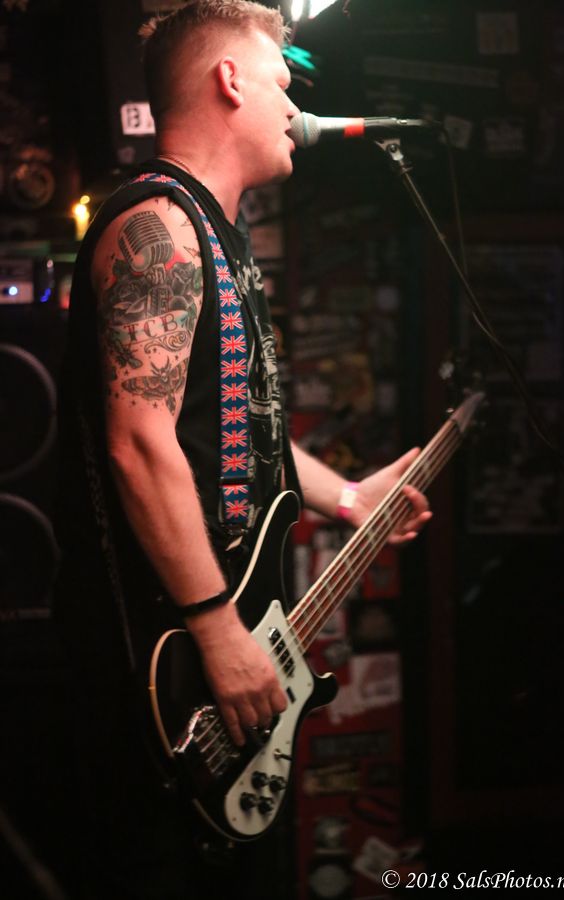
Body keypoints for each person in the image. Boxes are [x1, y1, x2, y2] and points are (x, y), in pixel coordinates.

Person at [53, 2, 431, 898]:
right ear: (229, 81)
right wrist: (220, 631)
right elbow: (140, 443)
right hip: (161, 672)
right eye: (281, 83)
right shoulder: (159, 227)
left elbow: (243, 431)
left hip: (214, 662)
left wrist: (349, 499)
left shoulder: (220, 237)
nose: (295, 106)